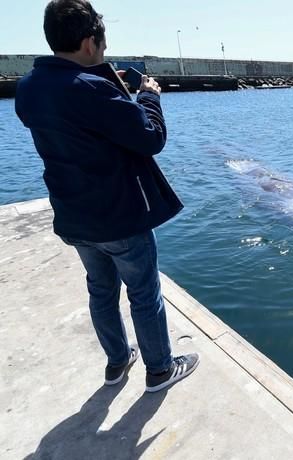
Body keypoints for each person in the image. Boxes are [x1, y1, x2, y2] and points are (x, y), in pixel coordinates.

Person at [14, 0, 199, 393]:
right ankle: (160, 370)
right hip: (118, 217)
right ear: (88, 43)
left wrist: (103, 80)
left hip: (73, 215)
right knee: (144, 293)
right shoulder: (93, 90)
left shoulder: (29, 88)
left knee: (100, 291)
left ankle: (117, 362)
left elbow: (74, 116)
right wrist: (148, 95)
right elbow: (150, 138)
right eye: (101, 42)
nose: (103, 50)